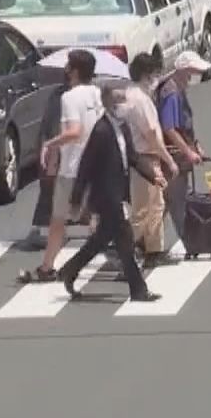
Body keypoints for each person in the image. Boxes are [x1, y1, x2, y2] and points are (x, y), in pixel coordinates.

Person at [57, 85, 161, 304]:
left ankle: (69, 270)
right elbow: (85, 166)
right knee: (125, 241)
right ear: (109, 104)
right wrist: (76, 199)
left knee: (101, 240)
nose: (125, 105)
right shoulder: (101, 131)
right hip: (107, 198)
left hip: (119, 194)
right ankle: (139, 290)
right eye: (120, 100)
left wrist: (153, 176)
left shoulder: (122, 127)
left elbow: (131, 157)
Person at [18, 49, 104, 284]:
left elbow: (74, 132)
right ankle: (115, 256)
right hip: (97, 163)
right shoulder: (97, 94)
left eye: (68, 66)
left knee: (58, 219)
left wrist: (51, 144)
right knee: (95, 215)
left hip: (74, 167)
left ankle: (48, 267)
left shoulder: (69, 97)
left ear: (73, 71)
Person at [123, 53, 178, 262]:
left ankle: (154, 251)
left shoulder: (134, 96)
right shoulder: (139, 100)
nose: (155, 78)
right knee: (142, 210)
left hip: (145, 157)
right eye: (154, 74)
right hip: (144, 158)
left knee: (156, 205)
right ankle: (127, 253)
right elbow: (151, 134)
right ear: (146, 75)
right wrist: (169, 160)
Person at [157, 50, 211, 244]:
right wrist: (189, 152)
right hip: (173, 156)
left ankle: (144, 244)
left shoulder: (178, 89)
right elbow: (169, 128)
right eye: (192, 71)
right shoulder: (171, 93)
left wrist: (195, 145)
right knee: (177, 201)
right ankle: (191, 242)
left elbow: (184, 125)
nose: (194, 76)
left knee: (162, 204)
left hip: (176, 155)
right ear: (183, 70)